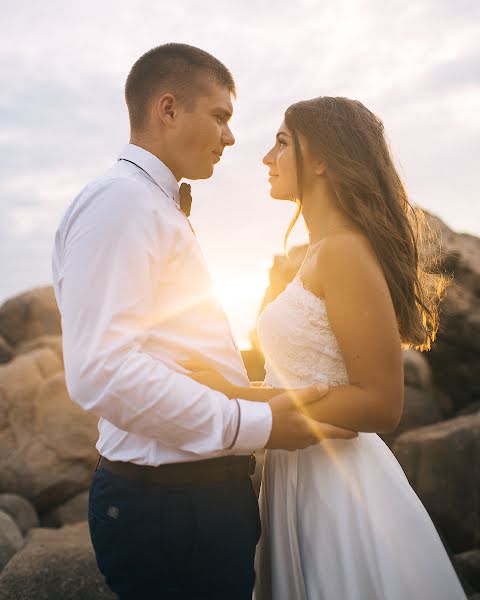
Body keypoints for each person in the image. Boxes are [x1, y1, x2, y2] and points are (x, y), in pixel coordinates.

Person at [51, 45, 356, 600]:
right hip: (167, 505)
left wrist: (250, 399)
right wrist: (255, 425)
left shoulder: (149, 204)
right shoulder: (121, 203)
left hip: (193, 500)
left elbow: (164, 351)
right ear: (168, 109)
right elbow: (100, 370)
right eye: (220, 116)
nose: (232, 137)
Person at [185, 97, 468, 599]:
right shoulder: (322, 251)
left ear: (321, 158)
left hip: (340, 491)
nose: (265, 158)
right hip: (300, 474)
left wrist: (231, 396)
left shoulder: (343, 251)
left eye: (281, 142)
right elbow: (296, 380)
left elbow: (382, 403)